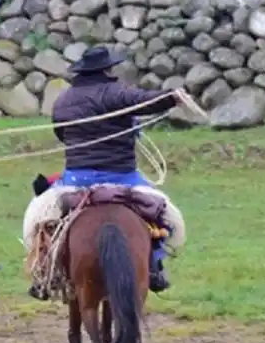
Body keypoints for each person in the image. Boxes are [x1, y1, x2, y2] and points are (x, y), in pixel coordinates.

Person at [45, 46, 201, 296]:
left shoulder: (63, 101)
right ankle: (154, 266)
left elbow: (61, 134)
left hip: (77, 177)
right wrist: (172, 97)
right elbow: (144, 101)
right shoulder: (116, 92)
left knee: (41, 218)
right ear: (107, 69)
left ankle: (47, 270)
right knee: (163, 216)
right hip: (123, 177)